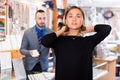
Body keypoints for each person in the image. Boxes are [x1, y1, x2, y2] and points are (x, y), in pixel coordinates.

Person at [41, 6, 111, 80]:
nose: (74, 19)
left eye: (78, 16)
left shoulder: (89, 41)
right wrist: (62, 30)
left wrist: (85, 28)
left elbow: (106, 29)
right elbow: (44, 41)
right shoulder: (59, 41)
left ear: (82, 20)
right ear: (66, 20)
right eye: (70, 16)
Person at [20, 9, 54, 74]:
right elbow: (22, 50)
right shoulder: (27, 32)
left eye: (44, 18)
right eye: (40, 18)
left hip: (44, 66)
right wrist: (29, 52)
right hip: (30, 66)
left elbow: (55, 51)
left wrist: (55, 66)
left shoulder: (51, 33)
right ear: (35, 19)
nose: (42, 21)